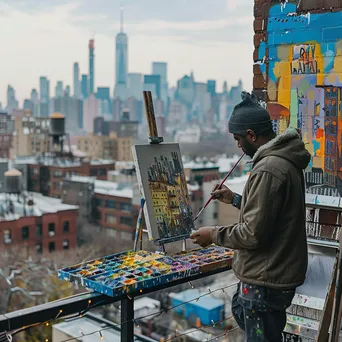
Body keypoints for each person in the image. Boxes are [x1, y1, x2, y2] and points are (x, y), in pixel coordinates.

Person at [190, 92, 311, 341]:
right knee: (244, 312)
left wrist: (212, 234)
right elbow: (271, 215)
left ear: (252, 136)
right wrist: (234, 199)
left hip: (265, 279)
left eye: (238, 139)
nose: (238, 146)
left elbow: (253, 233)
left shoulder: (268, 169)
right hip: (274, 274)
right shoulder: (285, 161)